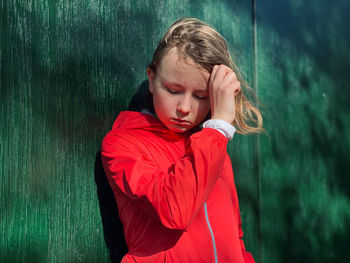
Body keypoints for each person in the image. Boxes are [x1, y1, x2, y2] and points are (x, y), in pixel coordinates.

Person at [101, 17, 263, 263]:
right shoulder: (122, 144)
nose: (185, 108)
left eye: (201, 96)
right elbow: (175, 210)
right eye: (174, 90)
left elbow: (235, 236)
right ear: (152, 78)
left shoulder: (214, 146)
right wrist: (218, 128)